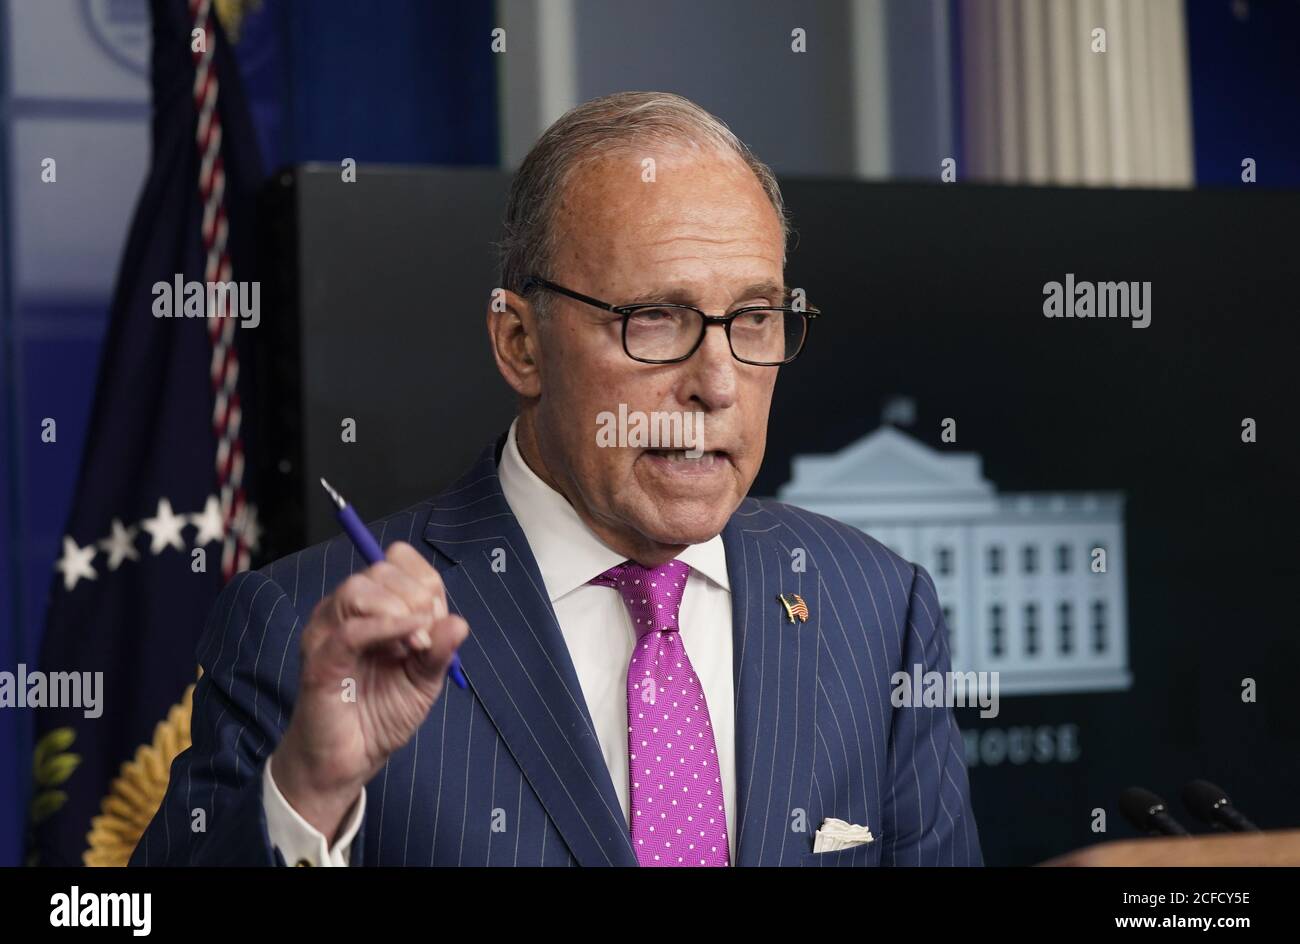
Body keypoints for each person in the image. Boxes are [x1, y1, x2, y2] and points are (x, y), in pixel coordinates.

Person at [132, 91, 982, 867]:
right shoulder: (307, 629)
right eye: (656, 318)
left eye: (755, 319)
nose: (718, 384)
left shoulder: (876, 609)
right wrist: (307, 797)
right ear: (520, 344)